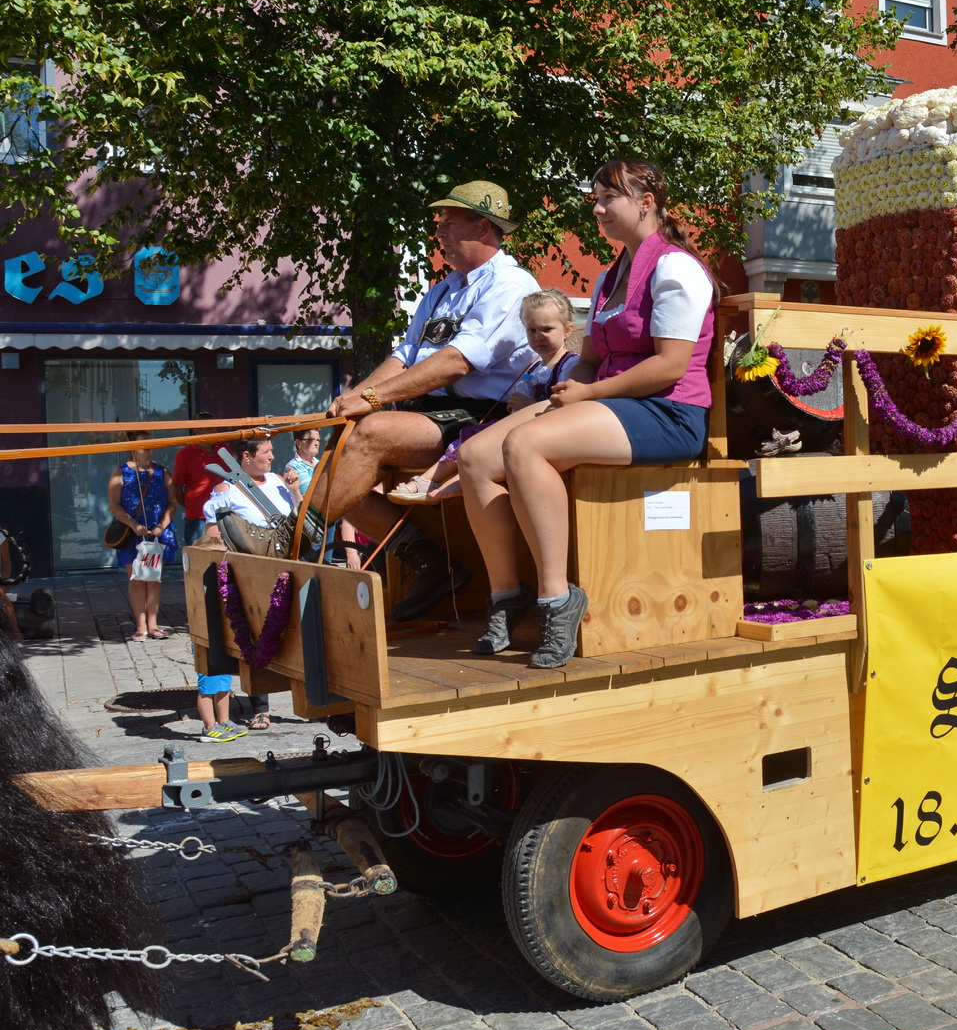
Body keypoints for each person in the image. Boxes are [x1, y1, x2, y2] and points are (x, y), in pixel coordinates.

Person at [458, 160, 715, 665]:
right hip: (613, 404)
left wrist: (589, 394)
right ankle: (507, 595)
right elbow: (592, 358)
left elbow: (670, 365)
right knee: (475, 456)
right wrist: (572, 386)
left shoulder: (676, 267)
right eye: (595, 199)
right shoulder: (607, 278)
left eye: (607, 199)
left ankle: (557, 598)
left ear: (646, 202)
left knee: (524, 444)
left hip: (669, 413)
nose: (597, 210)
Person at [293, 182, 536, 623]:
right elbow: (405, 354)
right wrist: (355, 396)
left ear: (483, 227)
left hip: (482, 417)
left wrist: (372, 400)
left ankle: (289, 538)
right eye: (439, 224)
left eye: (449, 223)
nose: (439, 232)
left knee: (369, 434)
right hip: (435, 412)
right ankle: (429, 559)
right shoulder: (444, 289)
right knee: (342, 444)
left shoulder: (511, 284)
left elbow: (457, 361)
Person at [392, 291, 580, 503]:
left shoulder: (571, 365)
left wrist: (529, 404)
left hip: (545, 432)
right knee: (470, 434)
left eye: (547, 329)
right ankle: (429, 479)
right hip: (521, 426)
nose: (538, 336)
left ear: (567, 330)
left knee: (485, 440)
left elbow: (567, 408)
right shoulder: (535, 366)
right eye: (532, 330)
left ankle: (460, 478)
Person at [202, 438, 299, 729]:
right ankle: (261, 708)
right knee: (257, 633)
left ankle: (311, 696)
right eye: (266, 452)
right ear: (247, 456)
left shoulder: (279, 482)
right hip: (251, 571)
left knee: (296, 631)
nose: (272, 456)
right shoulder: (226, 490)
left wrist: (295, 491)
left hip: (289, 565)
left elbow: (298, 519)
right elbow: (213, 535)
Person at [107, 434, 179, 642]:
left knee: (153, 578)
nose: (148, 448)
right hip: (132, 532)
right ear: (133, 447)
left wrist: (162, 525)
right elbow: (114, 504)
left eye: (150, 444)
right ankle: (140, 625)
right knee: (136, 578)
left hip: (157, 532)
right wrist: (133, 524)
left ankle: (153, 624)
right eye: (143, 444)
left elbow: (173, 502)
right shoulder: (121, 472)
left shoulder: (162, 471)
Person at [169, 414, 222, 550]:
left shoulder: (223, 449)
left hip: (224, 514)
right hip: (198, 517)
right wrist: (191, 506)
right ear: (197, 430)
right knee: (199, 557)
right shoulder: (185, 453)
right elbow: (177, 488)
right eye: (209, 428)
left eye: (215, 428)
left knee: (226, 558)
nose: (214, 431)